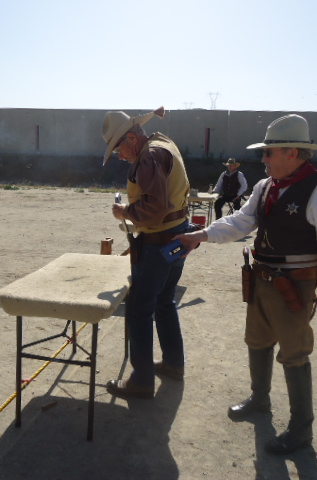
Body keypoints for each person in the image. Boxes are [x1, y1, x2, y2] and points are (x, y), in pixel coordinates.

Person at [175, 114, 317, 454]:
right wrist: (201, 235)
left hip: (295, 286)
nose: (263, 159)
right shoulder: (265, 186)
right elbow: (241, 221)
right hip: (262, 278)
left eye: (269, 152)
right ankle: (260, 400)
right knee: (256, 340)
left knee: (294, 353)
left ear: (292, 153)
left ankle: (301, 428)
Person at [101, 106, 191, 399]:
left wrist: (125, 212)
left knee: (139, 310)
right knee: (165, 302)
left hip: (157, 244)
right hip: (176, 237)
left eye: (118, 149)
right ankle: (173, 363)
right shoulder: (162, 144)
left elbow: (154, 208)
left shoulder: (148, 157)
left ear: (131, 138)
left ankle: (141, 381)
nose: (120, 156)